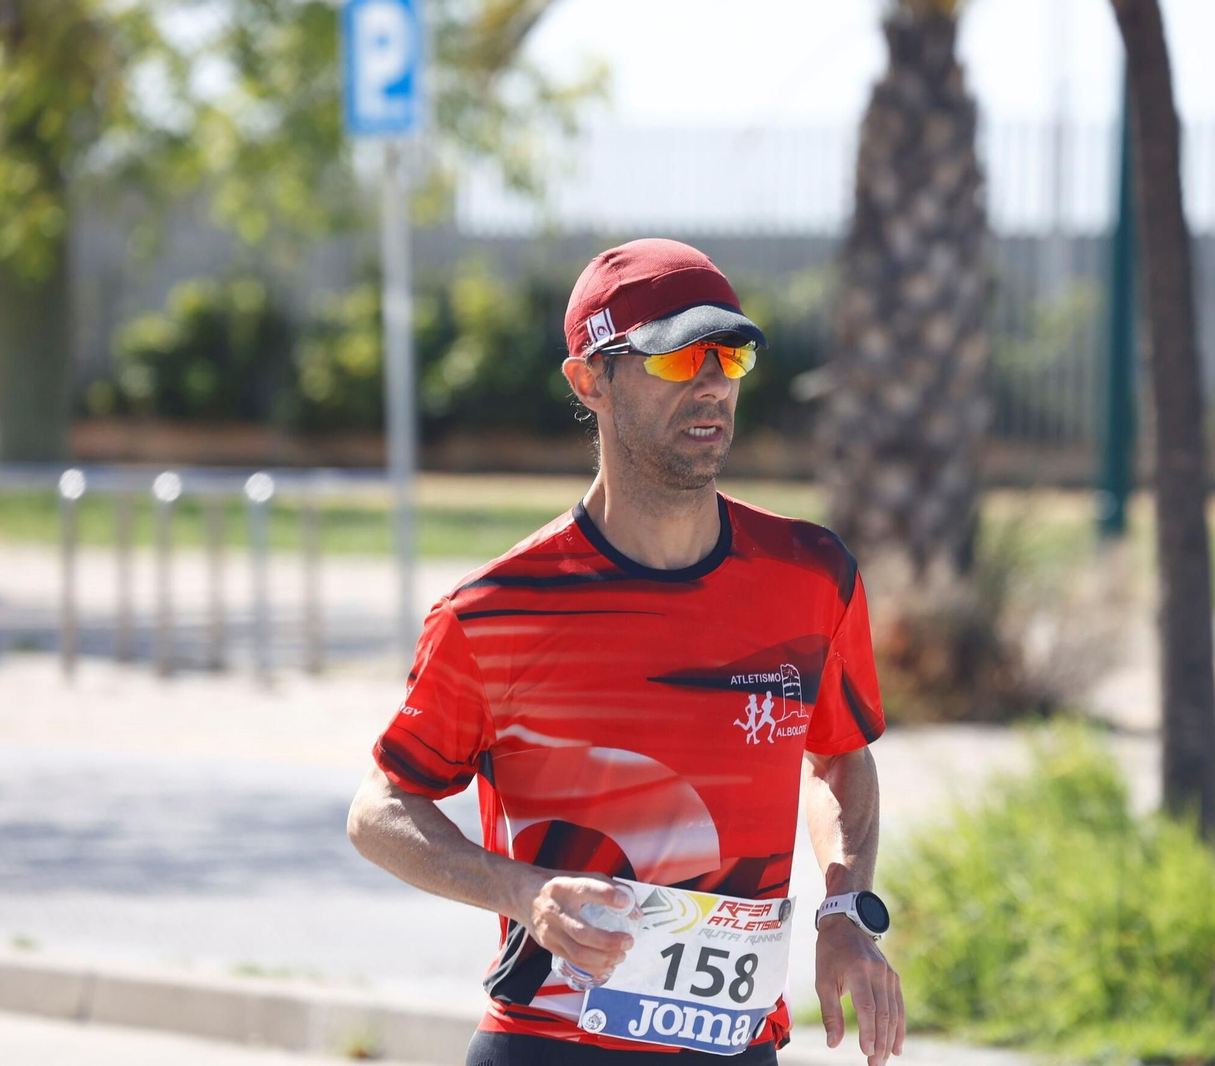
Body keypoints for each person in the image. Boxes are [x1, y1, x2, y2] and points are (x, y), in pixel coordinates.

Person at [347, 238, 904, 1066]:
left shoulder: (810, 577)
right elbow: (380, 813)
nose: (712, 381)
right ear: (590, 380)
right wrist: (522, 891)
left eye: (731, 354)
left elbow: (836, 760)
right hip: (550, 1048)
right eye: (676, 358)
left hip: (736, 1048)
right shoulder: (496, 613)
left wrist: (841, 909)